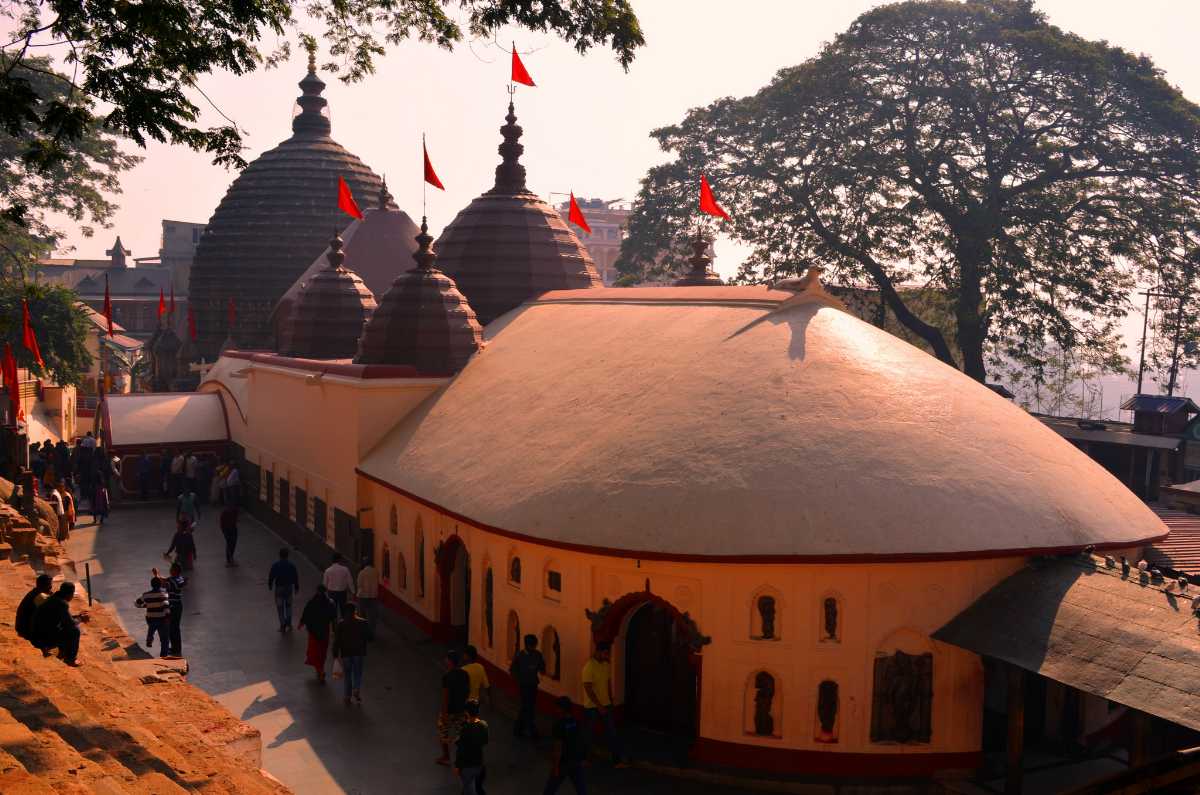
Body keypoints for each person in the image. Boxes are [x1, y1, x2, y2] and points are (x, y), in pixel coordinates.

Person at [581, 641, 626, 766]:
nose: (607, 656)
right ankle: (585, 758)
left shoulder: (606, 665)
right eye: (605, 653)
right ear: (598, 652)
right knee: (589, 733)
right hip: (591, 707)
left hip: (606, 704)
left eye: (608, 653)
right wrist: (599, 705)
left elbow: (607, 683)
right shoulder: (589, 667)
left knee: (612, 732)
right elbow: (588, 689)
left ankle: (616, 760)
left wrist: (610, 699)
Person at [32, 582, 87, 666]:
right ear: (70, 594)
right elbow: (70, 623)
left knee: (63, 627)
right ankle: (70, 659)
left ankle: (62, 652)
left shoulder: (54, 598)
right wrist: (81, 619)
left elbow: (62, 617)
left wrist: (77, 616)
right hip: (43, 639)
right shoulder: (62, 604)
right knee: (75, 631)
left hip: (37, 633)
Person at [544, 696, 587, 795]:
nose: (555, 710)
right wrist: (583, 757)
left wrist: (555, 767)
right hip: (576, 760)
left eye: (557, 707)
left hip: (564, 762)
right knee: (581, 789)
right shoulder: (576, 721)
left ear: (561, 709)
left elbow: (558, 748)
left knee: (550, 789)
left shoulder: (558, 725)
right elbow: (581, 740)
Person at [332, 601, 370, 705]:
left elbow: (337, 641)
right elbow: (368, 637)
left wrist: (335, 654)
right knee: (358, 673)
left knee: (348, 675)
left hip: (346, 653)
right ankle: (356, 689)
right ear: (355, 611)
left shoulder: (341, 624)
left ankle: (347, 696)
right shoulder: (363, 622)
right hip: (359, 652)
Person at [437, 649, 470, 766]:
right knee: (460, 734)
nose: (445, 661)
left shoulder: (447, 676)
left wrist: (445, 713)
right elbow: (467, 691)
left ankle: (446, 757)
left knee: (443, 733)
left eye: (447, 659)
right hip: (461, 709)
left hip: (449, 709)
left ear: (450, 662)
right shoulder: (465, 674)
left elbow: (446, 696)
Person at [299, 585, 337, 684]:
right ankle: (321, 669)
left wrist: (301, 623)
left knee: (315, 652)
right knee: (322, 652)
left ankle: (320, 671)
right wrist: (334, 630)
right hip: (325, 632)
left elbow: (306, 613)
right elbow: (333, 617)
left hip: (313, 632)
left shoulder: (312, 602)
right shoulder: (330, 603)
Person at [510, 634, 546, 739]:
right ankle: (530, 730)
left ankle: (519, 729)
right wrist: (519, 679)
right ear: (527, 645)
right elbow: (513, 670)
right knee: (528, 707)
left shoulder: (537, 655)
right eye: (532, 645)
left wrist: (541, 670)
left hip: (533, 684)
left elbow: (542, 667)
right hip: (524, 685)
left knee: (527, 707)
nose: (534, 647)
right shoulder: (519, 656)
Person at [455, 699, 488, 795]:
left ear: (466, 712)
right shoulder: (484, 725)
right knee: (478, 788)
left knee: (469, 790)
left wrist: (457, 766)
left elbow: (461, 749)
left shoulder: (465, 729)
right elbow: (485, 741)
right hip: (480, 764)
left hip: (467, 766)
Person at [136, 577, 171, 657]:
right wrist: (168, 617)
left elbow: (137, 604)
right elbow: (166, 606)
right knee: (164, 639)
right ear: (160, 585)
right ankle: (163, 656)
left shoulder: (146, 595)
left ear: (151, 585)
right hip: (162, 618)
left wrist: (146, 605)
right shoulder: (164, 594)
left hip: (151, 618)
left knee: (152, 626)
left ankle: (150, 638)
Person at [268, 548, 300, 631]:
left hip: (279, 588)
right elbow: (295, 577)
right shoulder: (291, 565)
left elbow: (271, 576)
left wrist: (270, 585)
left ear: (279, 555)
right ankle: (289, 624)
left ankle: (282, 625)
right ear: (287, 555)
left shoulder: (276, 565)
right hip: (289, 587)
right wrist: (296, 587)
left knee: (280, 607)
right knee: (288, 606)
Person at [15, 574, 54, 641]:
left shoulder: (35, 592)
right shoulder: (40, 597)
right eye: (49, 586)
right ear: (42, 586)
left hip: (23, 627)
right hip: (27, 630)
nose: (51, 588)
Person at [162, 563, 186, 658]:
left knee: (172, 628)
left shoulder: (172, 581)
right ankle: (176, 648)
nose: (170, 570)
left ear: (174, 571)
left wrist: (156, 575)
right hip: (178, 605)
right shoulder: (180, 578)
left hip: (173, 606)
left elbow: (163, 582)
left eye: (171, 569)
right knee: (175, 628)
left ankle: (175, 649)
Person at [356, 556, 379, 636]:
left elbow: (359, 584)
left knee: (362, 615)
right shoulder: (376, 571)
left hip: (362, 596)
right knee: (372, 616)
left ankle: (362, 631)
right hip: (373, 596)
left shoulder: (362, 573)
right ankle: (372, 632)